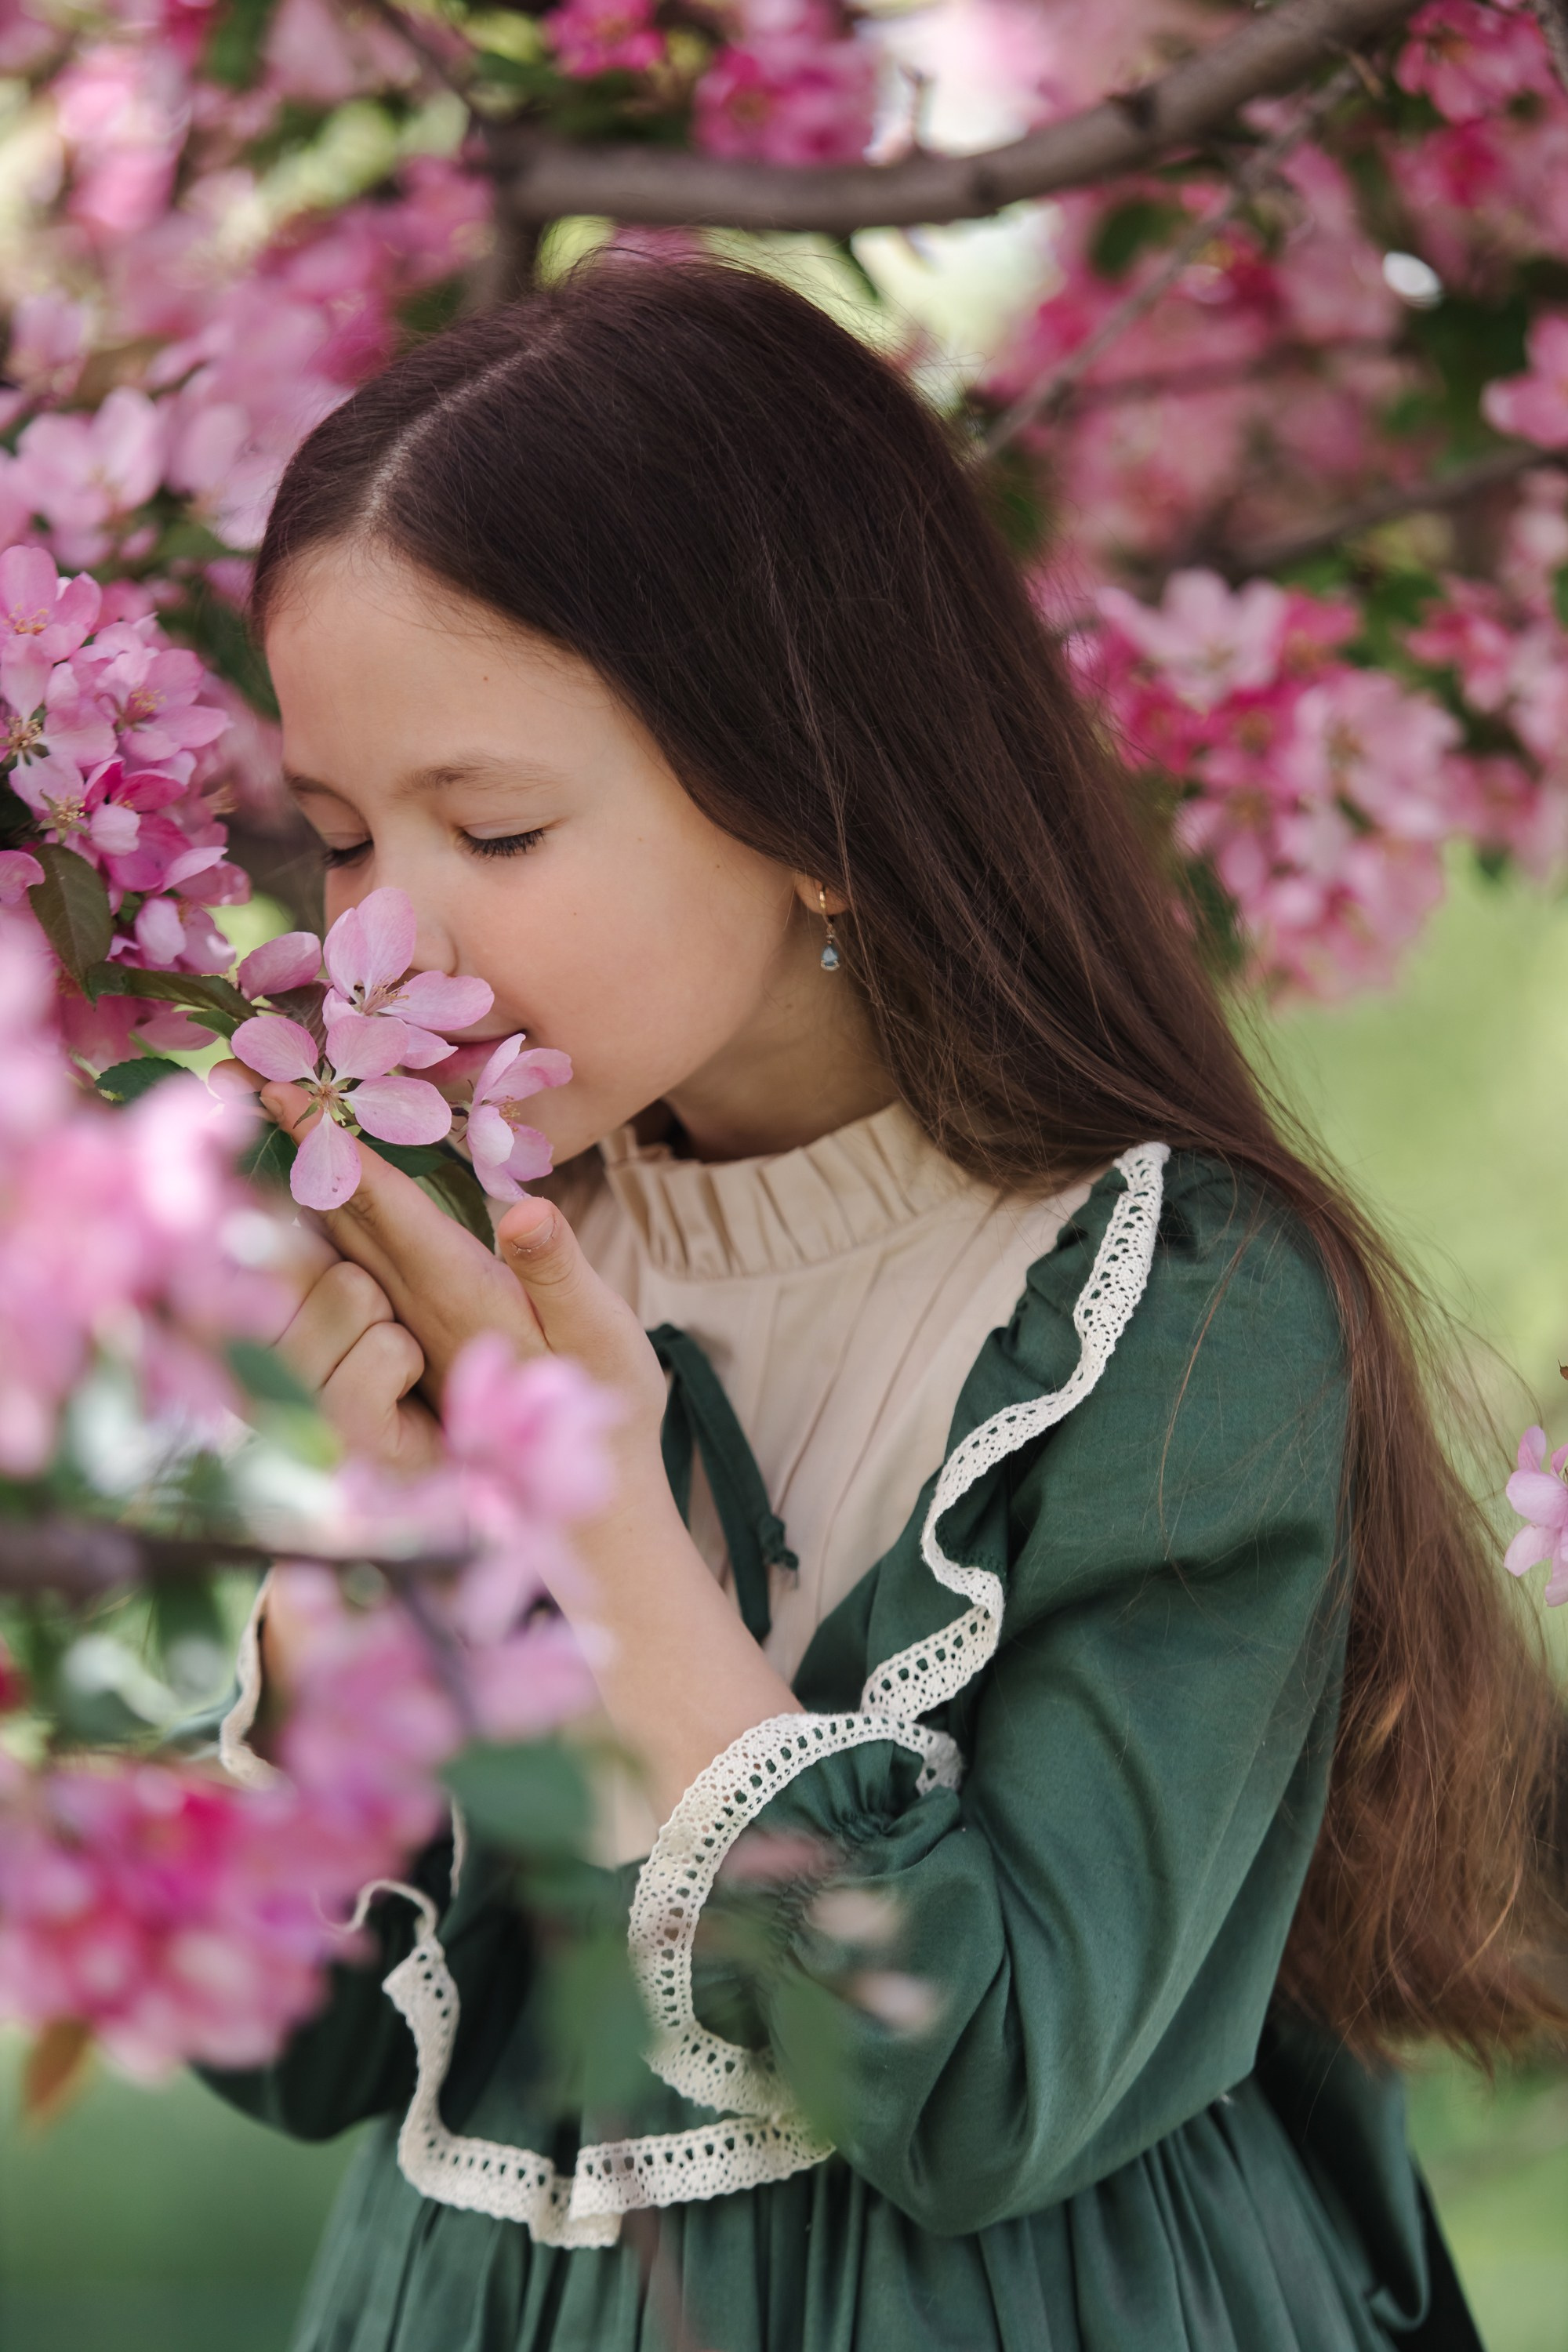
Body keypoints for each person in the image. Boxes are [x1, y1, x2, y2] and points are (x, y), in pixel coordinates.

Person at [202, 258, 1560, 2351]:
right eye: (334, 835)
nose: (376, 938)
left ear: (816, 804)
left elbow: (991, 2091)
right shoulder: (450, 1261)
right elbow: (286, 2058)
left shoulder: (1163, 1308)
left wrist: (617, 1558)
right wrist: (340, 1605)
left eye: (491, 825)